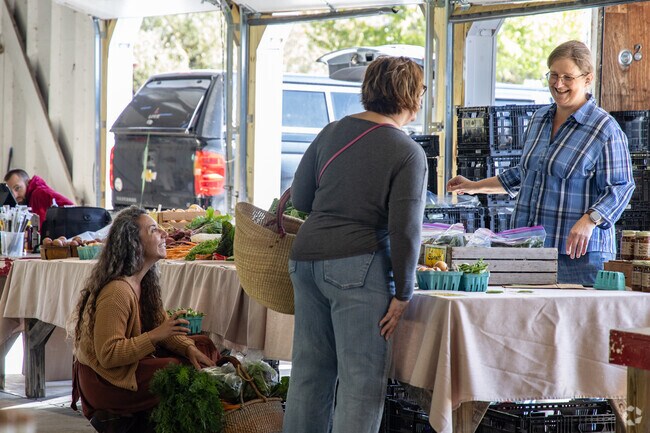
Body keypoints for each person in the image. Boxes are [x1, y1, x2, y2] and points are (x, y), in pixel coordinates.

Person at [283, 56, 428, 433]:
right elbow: (405, 230)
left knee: (309, 376)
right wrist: (403, 292)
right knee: (360, 383)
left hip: (304, 262)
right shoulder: (407, 151)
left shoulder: (330, 132)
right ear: (410, 95)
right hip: (356, 267)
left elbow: (301, 199)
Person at [447, 40, 635, 285]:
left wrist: (590, 219)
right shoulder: (539, 118)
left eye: (568, 77)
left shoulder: (604, 129)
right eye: (554, 75)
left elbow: (621, 187)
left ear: (587, 79)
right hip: (527, 250)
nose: (558, 84)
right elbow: (526, 173)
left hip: (577, 257)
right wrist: (473, 186)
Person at [68, 206, 218, 432]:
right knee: (177, 372)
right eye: (154, 230)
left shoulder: (144, 283)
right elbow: (108, 355)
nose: (164, 234)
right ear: (134, 242)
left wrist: (189, 348)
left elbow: (164, 328)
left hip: (123, 369)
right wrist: (157, 336)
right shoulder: (117, 291)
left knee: (203, 347)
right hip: (105, 381)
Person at [3, 169, 74, 230]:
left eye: (17, 188)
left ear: (27, 183)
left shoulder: (38, 193)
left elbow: (72, 208)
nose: (15, 195)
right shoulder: (30, 198)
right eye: (11, 192)